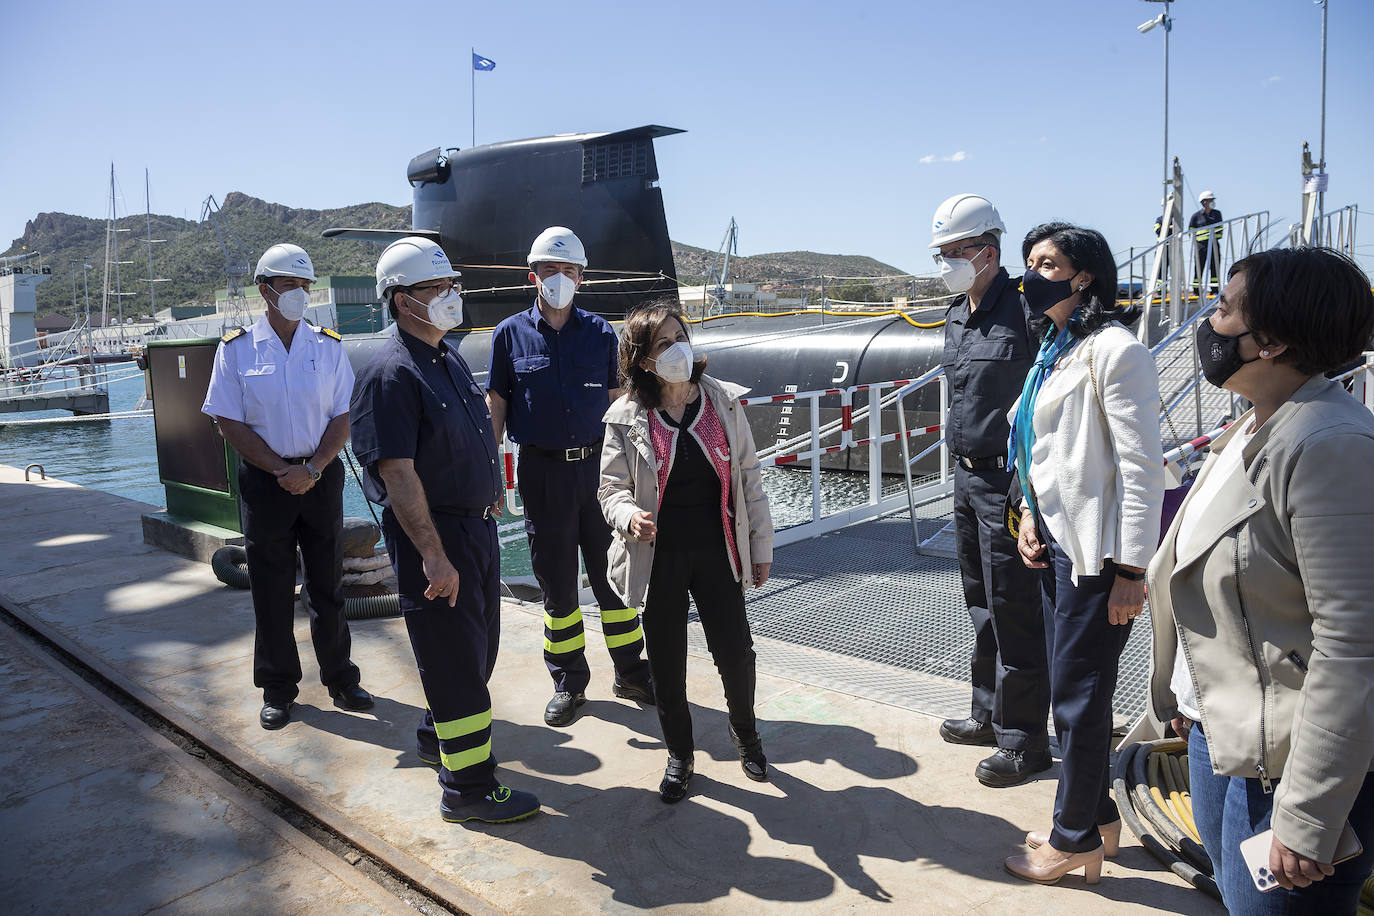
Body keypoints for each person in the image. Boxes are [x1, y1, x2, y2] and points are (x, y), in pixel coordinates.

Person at [1148, 247, 1374, 913]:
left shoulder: (1328, 445)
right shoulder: (1253, 426)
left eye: (1223, 309)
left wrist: (1308, 814)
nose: (1208, 325)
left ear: (1270, 341)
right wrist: (1193, 697)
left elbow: (1353, 644)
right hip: (1230, 735)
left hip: (1295, 764)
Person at [350, 237, 538, 824]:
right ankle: (468, 789)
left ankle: (438, 738)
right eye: (435, 288)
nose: (450, 295)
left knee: (476, 651)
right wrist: (433, 556)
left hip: (474, 528)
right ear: (400, 299)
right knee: (455, 662)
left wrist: (492, 488)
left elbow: (472, 432)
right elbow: (397, 471)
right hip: (436, 537)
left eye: (451, 285)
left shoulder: (445, 357)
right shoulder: (390, 373)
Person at [1003, 222, 1165, 884]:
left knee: (1078, 696)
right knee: (1075, 690)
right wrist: (1028, 516)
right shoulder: (1058, 347)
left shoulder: (1116, 350)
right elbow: (1041, 449)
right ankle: (1097, 818)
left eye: (1047, 264)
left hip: (1099, 557)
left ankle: (1073, 839)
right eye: (1030, 262)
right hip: (1058, 543)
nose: (1032, 275)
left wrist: (1132, 570)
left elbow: (1141, 468)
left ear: (1085, 276)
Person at [599, 302, 774, 804]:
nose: (678, 348)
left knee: (735, 654)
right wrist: (628, 515)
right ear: (643, 359)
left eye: (681, 337)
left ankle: (746, 735)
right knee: (667, 665)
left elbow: (749, 478)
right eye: (664, 343)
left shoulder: (722, 402)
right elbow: (610, 488)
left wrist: (760, 546)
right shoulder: (625, 417)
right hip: (658, 558)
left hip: (719, 551)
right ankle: (680, 754)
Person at [487, 226, 654, 728]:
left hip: (599, 473)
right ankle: (568, 683)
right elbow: (497, 404)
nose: (559, 278)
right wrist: (491, 472)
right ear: (532, 275)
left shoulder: (601, 334)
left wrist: (634, 473)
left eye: (569, 271)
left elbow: (619, 405)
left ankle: (631, 672)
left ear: (581, 278)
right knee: (558, 587)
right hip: (542, 474)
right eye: (550, 270)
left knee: (614, 579)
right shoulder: (508, 334)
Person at [202, 243, 372, 731]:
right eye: (289, 284)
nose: (299, 292)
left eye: (304, 285)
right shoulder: (236, 349)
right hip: (266, 481)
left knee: (327, 586)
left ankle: (341, 678)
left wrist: (313, 467)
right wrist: (281, 469)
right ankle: (278, 689)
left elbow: (342, 415)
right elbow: (228, 422)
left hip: (320, 476)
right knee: (271, 590)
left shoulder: (327, 345)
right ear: (265, 290)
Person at [928, 194, 1051, 788]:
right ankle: (987, 714)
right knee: (980, 601)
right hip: (965, 476)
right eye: (941, 253)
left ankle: (1025, 741)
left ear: (988, 252)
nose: (945, 262)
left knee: (1014, 607)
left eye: (955, 251)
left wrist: (1028, 492)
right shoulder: (957, 315)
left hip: (1008, 480)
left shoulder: (1026, 310)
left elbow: (1044, 400)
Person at [1189, 191, 1224, 295]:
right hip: (1201, 246)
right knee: (1199, 268)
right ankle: (1196, 291)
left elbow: (1220, 229)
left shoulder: (1217, 214)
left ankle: (1214, 290)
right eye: (1211, 200)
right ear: (1204, 202)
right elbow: (1191, 230)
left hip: (1214, 245)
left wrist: (1214, 236)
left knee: (1215, 267)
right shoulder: (1195, 216)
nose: (1213, 202)